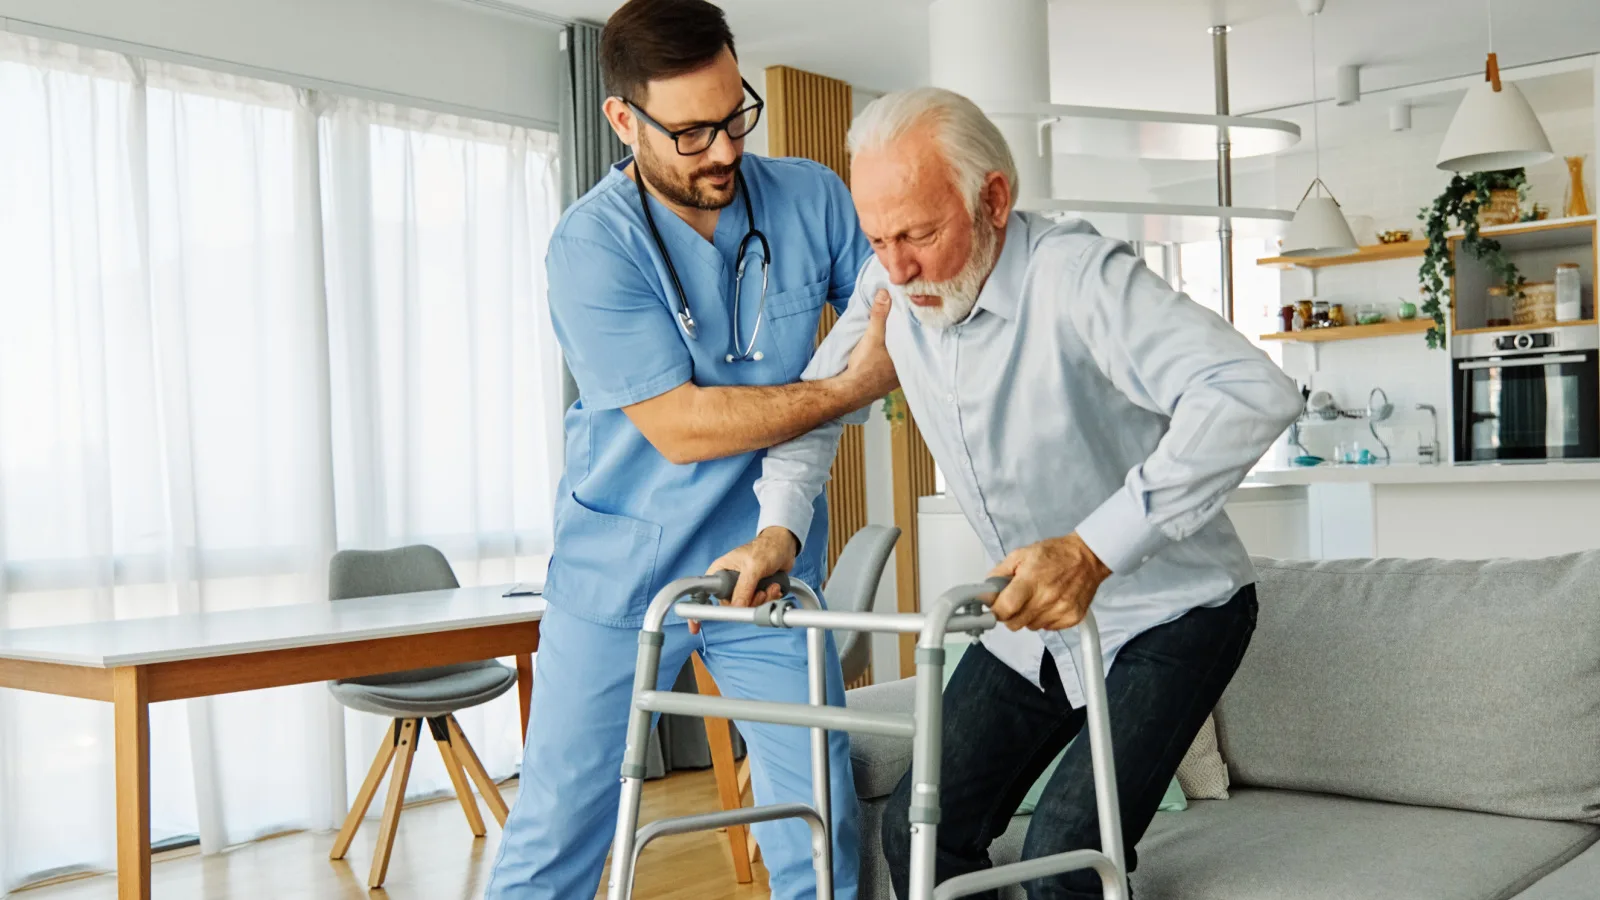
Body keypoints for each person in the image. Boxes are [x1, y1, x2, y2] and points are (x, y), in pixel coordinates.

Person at [712, 87, 1303, 899]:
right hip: (1029, 619)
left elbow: (1250, 391)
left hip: (1175, 611)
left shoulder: (1078, 277)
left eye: (917, 233)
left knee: (1067, 849)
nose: (897, 267)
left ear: (993, 198)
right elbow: (821, 405)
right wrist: (779, 530)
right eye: (878, 238)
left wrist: (1094, 549)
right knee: (919, 831)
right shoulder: (892, 293)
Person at [483, 1, 898, 897]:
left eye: (734, 114)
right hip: (621, 572)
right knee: (562, 831)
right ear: (623, 122)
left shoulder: (811, 197)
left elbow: (892, 302)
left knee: (819, 826)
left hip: (766, 570)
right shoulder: (592, 246)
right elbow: (680, 426)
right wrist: (847, 388)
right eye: (692, 131)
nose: (723, 150)